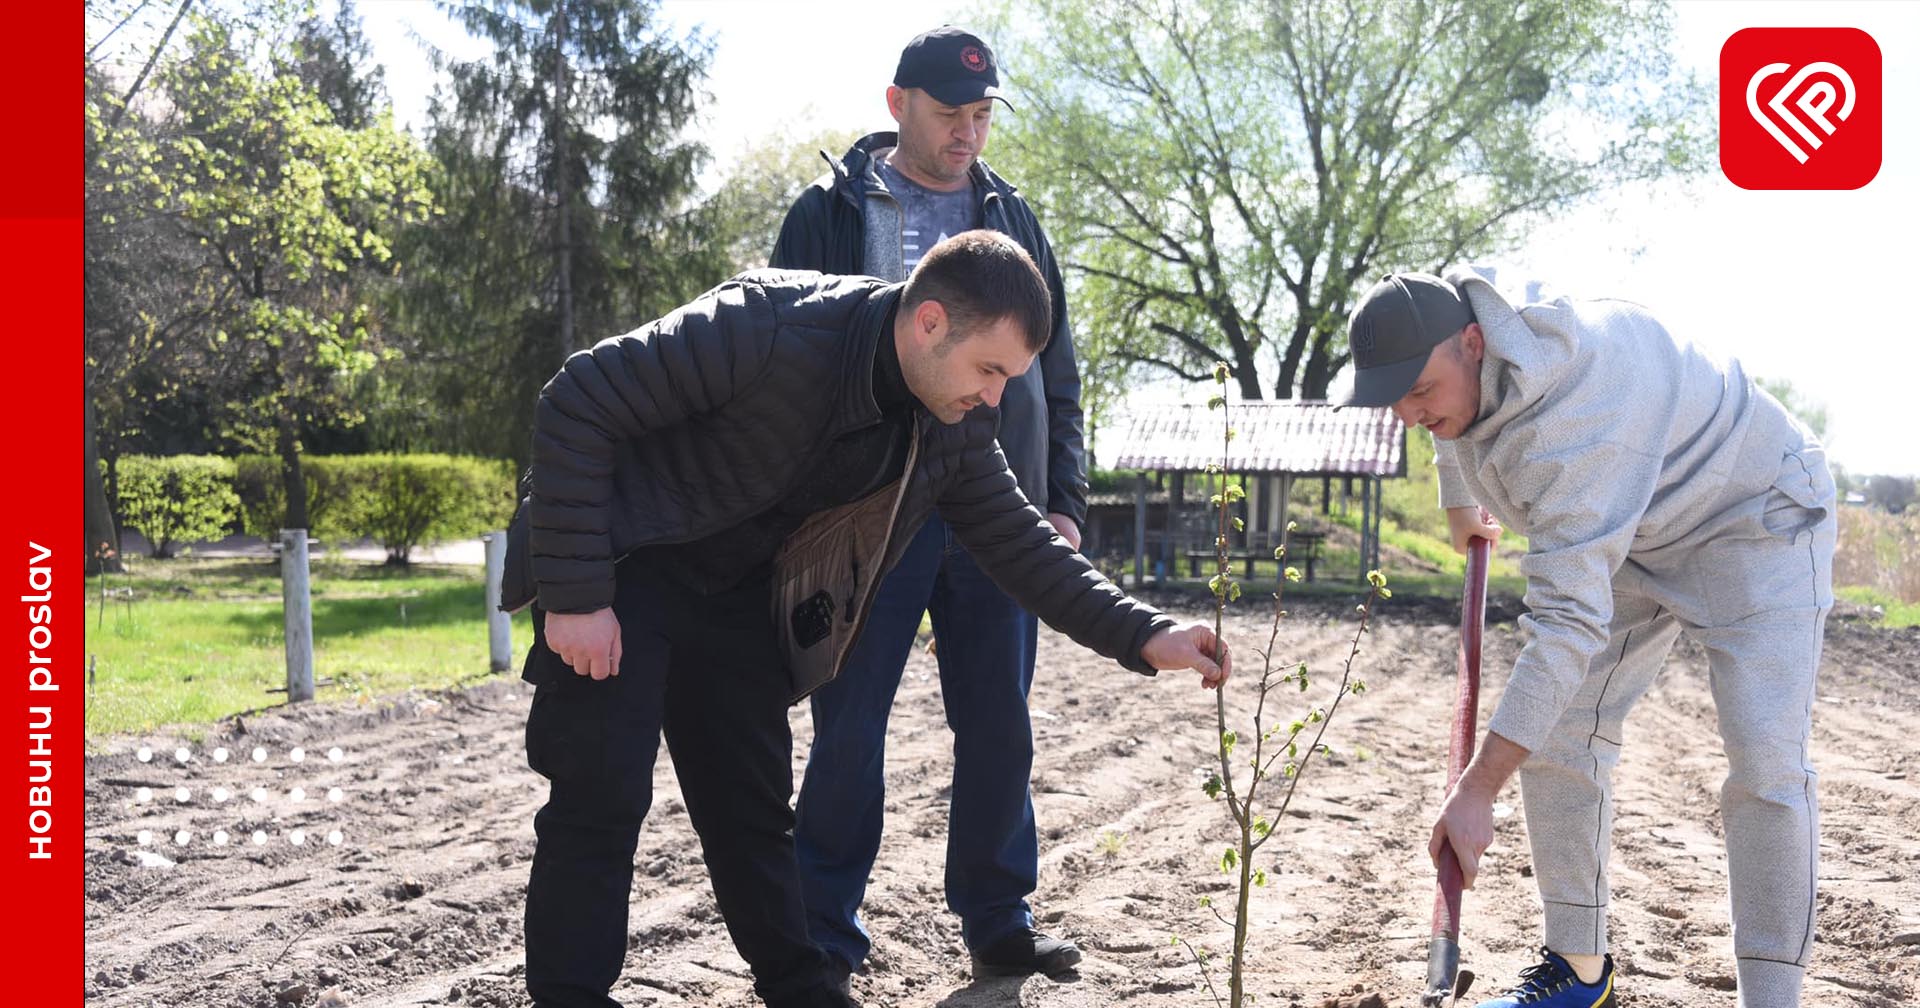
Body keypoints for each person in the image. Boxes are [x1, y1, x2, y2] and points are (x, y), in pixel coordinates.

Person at [502, 230, 1231, 1008]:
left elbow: (1022, 545)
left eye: (1010, 380)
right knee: (601, 793)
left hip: (736, 594)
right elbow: (577, 398)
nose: (996, 397)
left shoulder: (948, 426)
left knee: (752, 809)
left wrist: (1146, 633)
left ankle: (801, 991)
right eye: (990, 369)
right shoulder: (770, 326)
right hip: (624, 563)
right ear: (929, 323)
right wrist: (578, 596)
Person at [1341, 271, 1834, 1008]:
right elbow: (1446, 405)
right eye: (1397, 399)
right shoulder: (1473, 349)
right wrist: (1456, 499)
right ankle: (1579, 970)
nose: (1412, 414)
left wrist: (1477, 791)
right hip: (1631, 524)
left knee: (1764, 759)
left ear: (1475, 344)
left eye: (1420, 392)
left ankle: (1771, 996)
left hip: (1750, 513)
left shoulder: (1578, 421)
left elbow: (1565, 627)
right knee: (1561, 727)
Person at [769, 26, 1091, 986]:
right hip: (870, 510)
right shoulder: (827, 213)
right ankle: (822, 934)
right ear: (897, 103)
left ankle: (999, 921)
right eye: (952, 113)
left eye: (983, 115)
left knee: (999, 720)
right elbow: (781, 368)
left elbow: (1060, 371)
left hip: (996, 510)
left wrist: (1063, 501)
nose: (969, 133)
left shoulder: (1014, 218)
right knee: (849, 726)